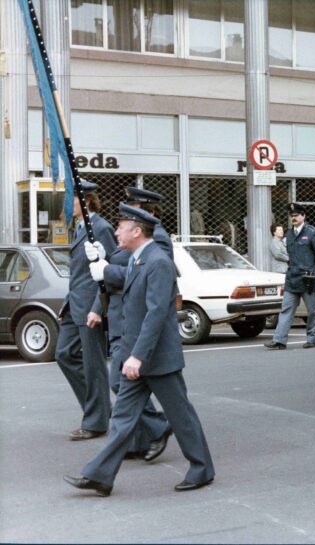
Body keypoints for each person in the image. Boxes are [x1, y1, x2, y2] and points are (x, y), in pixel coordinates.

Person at [64, 204, 215, 497]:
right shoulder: (138, 259)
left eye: (121, 226)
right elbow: (124, 280)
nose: (116, 230)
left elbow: (157, 314)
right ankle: (100, 476)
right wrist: (103, 268)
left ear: (136, 231)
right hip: (138, 357)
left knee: (181, 416)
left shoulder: (158, 262)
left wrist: (137, 355)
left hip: (156, 359)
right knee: (121, 420)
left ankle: (202, 469)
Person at [85, 187, 171, 461]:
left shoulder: (159, 242)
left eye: (136, 209)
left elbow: (135, 273)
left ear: (150, 214)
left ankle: (156, 427)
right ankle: (141, 437)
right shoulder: (129, 243)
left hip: (138, 322)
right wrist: (99, 305)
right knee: (123, 386)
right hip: (123, 317)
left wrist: (106, 263)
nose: (128, 216)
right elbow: (115, 267)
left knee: (122, 384)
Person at [55, 180, 116, 441]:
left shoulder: (100, 228)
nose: (69, 205)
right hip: (75, 305)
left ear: (86, 201)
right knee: (64, 354)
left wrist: (97, 308)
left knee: (94, 366)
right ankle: (100, 408)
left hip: (91, 308)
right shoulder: (80, 228)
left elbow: (110, 270)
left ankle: (96, 421)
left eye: (73, 199)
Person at [265, 203, 315, 350]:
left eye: (296, 215)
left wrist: (314, 269)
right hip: (293, 277)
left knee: (311, 310)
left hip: (308, 277)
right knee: (286, 309)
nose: (293, 218)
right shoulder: (289, 234)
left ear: (303, 216)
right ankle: (279, 340)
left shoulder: (312, 233)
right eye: (291, 216)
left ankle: (312, 339)